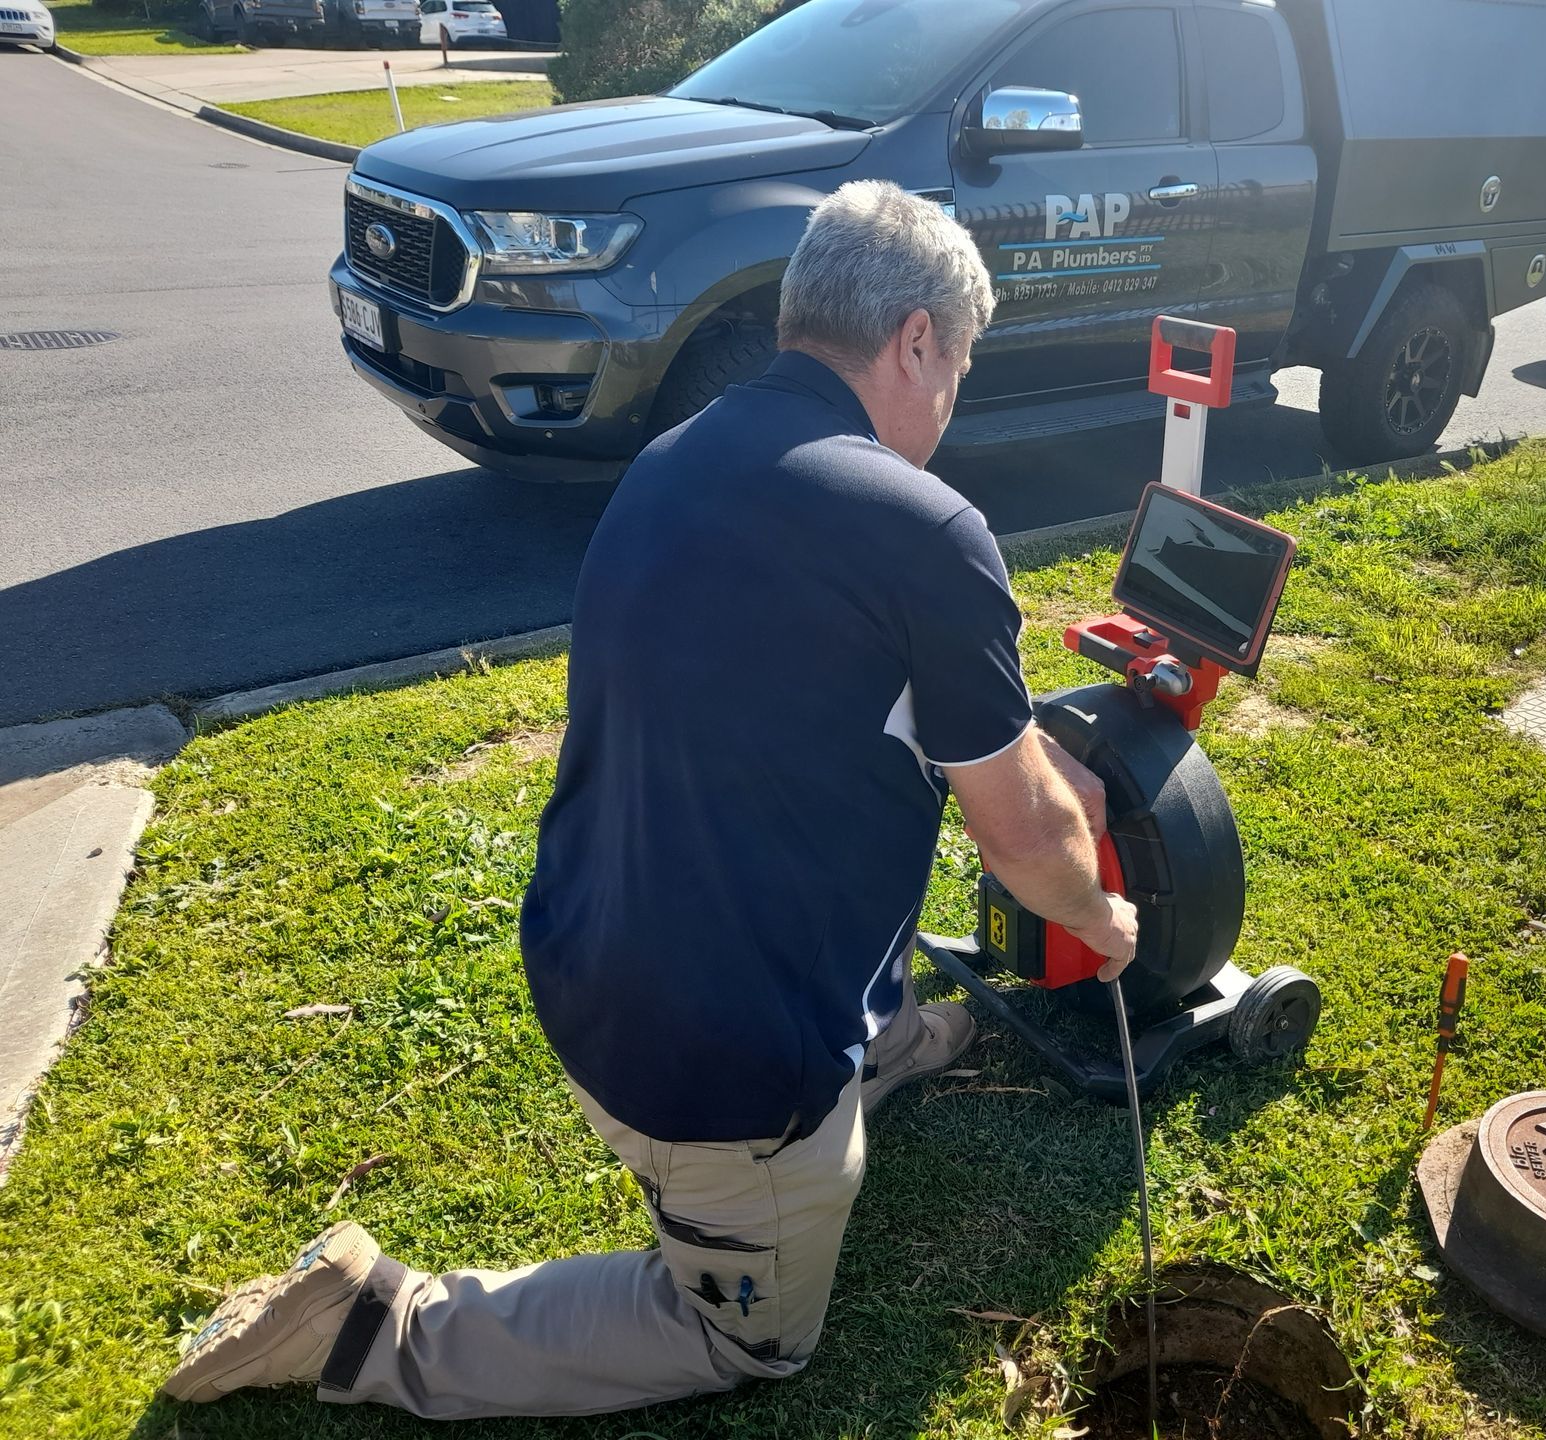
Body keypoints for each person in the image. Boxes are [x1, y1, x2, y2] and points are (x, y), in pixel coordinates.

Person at [164, 180, 1138, 1419]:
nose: (953, 401)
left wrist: (1033, 761)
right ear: (916, 340)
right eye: (960, 365)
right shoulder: (925, 527)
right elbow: (1025, 840)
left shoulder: (683, 452)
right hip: (708, 1071)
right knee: (746, 1343)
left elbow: (812, 729)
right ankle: (374, 1324)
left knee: (826, 802)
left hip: (581, 956)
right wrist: (1105, 922)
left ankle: (883, 1044)